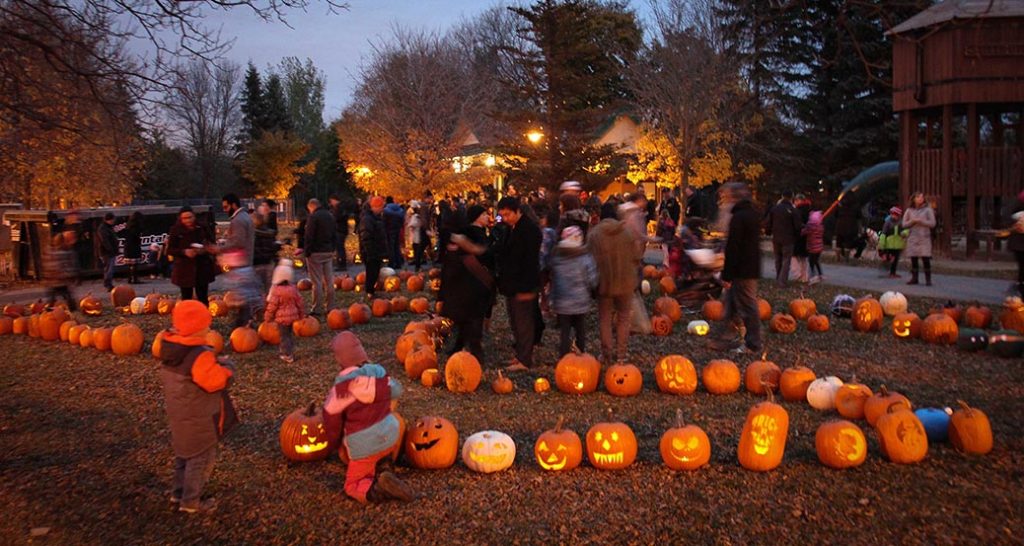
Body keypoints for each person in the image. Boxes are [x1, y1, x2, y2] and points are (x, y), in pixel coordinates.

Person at [158, 300, 237, 514]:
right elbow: (214, 381)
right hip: (199, 419)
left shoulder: (171, 349)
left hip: (180, 417)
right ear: (196, 328)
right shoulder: (198, 355)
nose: (210, 329)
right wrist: (228, 368)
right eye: (207, 326)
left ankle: (178, 493)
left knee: (183, 457)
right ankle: (191, 502)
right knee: (199, 460)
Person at [322, 332, 416, 503]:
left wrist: (334, 444)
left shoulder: (340, 391)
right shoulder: (378, 373)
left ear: (340, 360)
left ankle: (377, 489)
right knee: (381, 447)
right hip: (391, 435)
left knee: (352, 485)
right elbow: (396, 389)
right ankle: (385, 466)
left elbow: (331, 421)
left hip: (364, 446)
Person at [709, 182, 762, 354]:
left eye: (726, 196)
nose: (724, 200)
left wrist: (727, 275)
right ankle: (727, 337)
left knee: (747, 306)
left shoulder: (739, 217)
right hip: (748, 266)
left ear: (734, 197)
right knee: (731, 303)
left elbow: (734, 247)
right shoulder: (750, 214)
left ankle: (753, 344)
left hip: (743, 269)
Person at [587, 202, 642, 364]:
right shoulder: (627, 233)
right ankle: (622, 355)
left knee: (604, 318)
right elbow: (637, 257)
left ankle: (606, 354)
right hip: (625, 282)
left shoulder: (594, 234)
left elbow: (588, 260)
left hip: (604, 282)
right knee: (623, 319)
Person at [495, 196, 542, 371]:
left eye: (507, 214)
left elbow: (530, 262)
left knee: (524, 323)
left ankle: (525, 359)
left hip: (523, 284)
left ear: (517, 211)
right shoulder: (511, 228)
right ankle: (520, 355)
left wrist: (528, 288)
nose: (505, 219)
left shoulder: (529, 231)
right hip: (512, 284)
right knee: (515, 321)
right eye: (502, 216)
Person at [441, 223, 494, 362]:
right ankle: (460, 346)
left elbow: (483, 261)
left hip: (472, 295)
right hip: (461, 295)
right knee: (463, 323)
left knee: (472, 325)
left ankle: (476, 353)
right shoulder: (455, 253)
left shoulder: (469, 255)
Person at [549, 226, 597, 357]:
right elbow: (592, 278)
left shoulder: (557, 258)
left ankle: (564, 355)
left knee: (565, 331)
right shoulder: (585, 258)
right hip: (581, 301)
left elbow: (554, 280)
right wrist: (593, 288)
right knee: (580, 329)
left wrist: (552, 299)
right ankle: (580, 353)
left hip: (563, 302)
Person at [216, 193, 260, 327]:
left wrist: (219, 248)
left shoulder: (238, 220)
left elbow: (238, 242)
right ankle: (246, 322)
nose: (224, 210)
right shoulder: (245, 217)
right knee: (245, 296)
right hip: (245, 261)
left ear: (233, 204)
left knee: (242, 297)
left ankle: (243, 324)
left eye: (225, 207)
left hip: (240, 263)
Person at [167, 207, 216, 304]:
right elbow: (170, 249)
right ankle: (188, 317)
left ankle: (204, 316)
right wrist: (184, 252)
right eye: (184, 218)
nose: (188, 220)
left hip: (201, 266)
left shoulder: (202, 228)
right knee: (186, 297)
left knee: (202, 296)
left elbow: (211, 243)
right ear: (180, 219)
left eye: (190, 217)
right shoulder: (176, 230)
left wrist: (204, 249)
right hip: (184, 268)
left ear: (194, 217)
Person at [264, 259, 304, 363]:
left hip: (281, 319)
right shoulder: (293, 289)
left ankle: (287, 354)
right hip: (292, 317)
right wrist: (301, 314)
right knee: (289, 335)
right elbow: (299, 302)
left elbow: (272, 306)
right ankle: (290, 350)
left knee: (284, 337)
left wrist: (267, 317)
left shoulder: (276, 291)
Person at [302, 198, 337, 315]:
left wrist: (307, 251)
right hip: (328, 251)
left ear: (312, 206)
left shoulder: (313, 217)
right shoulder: (330, 215)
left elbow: (309, 235)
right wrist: (333, 248)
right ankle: (330, 306)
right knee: (329, 280)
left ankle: (316, 308)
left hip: (316, 252)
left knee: (316, 281)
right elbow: (334, 233)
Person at [765, 190, 803, 287]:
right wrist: (797, 236)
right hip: (788, 239)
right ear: (792, 197)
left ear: (782, 196)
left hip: (776, 237)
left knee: (778, 259)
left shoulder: (775, 209)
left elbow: (768, 222)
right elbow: (797, 226)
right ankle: (782, 282)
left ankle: (779, 278)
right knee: (786, 260)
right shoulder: (793, 210)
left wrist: (768, 232)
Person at [902, 191, 936, 286]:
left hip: (924, 238)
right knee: (914, 259)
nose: (920, 199)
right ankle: (914, 278)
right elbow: (904, 224)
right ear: (913, 199)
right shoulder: (909, 210)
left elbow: (932, 223)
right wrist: (912, 221)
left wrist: (922, 221)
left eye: (922, 197)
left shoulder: (928, 210)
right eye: (918, 197)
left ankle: (928, 279)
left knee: (926, 259)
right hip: (913, 237)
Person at [358, 196, 388, 298]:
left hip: (377, 249)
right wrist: (369, 250)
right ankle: (369, 291)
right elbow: (366, 236)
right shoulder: (367, 219)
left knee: (375, 271)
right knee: (371, 271)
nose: (382, 209)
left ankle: (372, 290)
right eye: (381, 207)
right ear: (374, 207)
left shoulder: (376, 218)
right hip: (370, 250)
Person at [878, 207, 907, 279]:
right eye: (893, 214)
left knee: (896, 259)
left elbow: (906, 230)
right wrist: (881, 244)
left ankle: (893, 272)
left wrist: (904, 233)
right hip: (889, 244)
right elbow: (884, 233)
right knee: (890, 257)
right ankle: (889, 271)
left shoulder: (901, 222)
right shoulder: (887, 222)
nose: (894, 216)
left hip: (898, 243)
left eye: (896, 215)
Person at [252, 213, 278, 294]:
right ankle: (268, 305)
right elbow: (273, 247)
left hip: (256, 264)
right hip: (268, 263)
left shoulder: (253, 234)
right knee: (269, 289)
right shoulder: (270, 233)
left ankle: (260, 305)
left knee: (257, 289)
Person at [1006, 190, 1024, 297]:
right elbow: (1008, 216)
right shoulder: (1020, 200)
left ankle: (1018, 287)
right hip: (1019, 244)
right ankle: (1020, 289)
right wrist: (1017, 224)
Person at [95, 212, 118, 290]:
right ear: (109, 220)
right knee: (109, 268)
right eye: (113, 219)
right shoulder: (103, 228)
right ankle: (108, 284)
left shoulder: (106, 227)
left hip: (108, 251)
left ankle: (108, 283)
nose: (114, 221)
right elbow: (105, 241)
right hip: (107, 252)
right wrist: (111, 249)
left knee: (109, 268)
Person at [835, 193, 861, 262]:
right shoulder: (856, 206)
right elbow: (859, 216)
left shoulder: (840, 205)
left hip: (840, 226)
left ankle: (838, 258)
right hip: (850, 227)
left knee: (839, 242)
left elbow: (835, 214)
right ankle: (846, 259)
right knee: (848, 243)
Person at [792, 194, 811, 283]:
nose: (794, 203)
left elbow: (795, 224)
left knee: (794, 255)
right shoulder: (809, 209)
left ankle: (797, 273)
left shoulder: (797, 211)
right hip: (807, 236)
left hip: (797, 236)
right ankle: (805, 277)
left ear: (799, 200)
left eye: (795, 201)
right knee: (804, 258)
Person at [803, 210, 825, 284]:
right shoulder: (820, 226)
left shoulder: (810, 227)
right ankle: (820, 274)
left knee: (811, 262)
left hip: (812, 247)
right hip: (819, 247)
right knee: (816, 261)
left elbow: (803, 232)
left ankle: (813, 276)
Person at [328, 195, 349, 270]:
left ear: (335, 200)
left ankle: (341, 264)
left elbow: (337, 218)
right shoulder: (339, 208)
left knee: (340, 248)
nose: (331, 203)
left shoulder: (339, 208)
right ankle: (340, 263)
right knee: (339, 248)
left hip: (340, 230)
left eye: (331, 201)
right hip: (340, 229)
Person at [406, 201, 429, 272]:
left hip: (417, 235)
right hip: (416, 235)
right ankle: (418, 261)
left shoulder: (417, 217)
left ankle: (418, 263)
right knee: (416, 249)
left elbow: (413, 224)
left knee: (418, 249)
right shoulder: (419, 216)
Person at [383, 197, 405, 269]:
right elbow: (402, 219)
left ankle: (392, 263)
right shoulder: (399, 209)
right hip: (397, 229)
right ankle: (398, 262)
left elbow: (384, 221)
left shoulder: (386, 210)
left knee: (390, 247)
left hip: (389, 230)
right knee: (396, 246)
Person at [123, 211, 144, 284]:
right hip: (134, 247)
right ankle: (135, 279)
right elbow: (136, 236)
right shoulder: (136, 226)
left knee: (129, 265)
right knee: (135, 264)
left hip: (128, 246)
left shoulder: (128, 225)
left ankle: (129, 278)